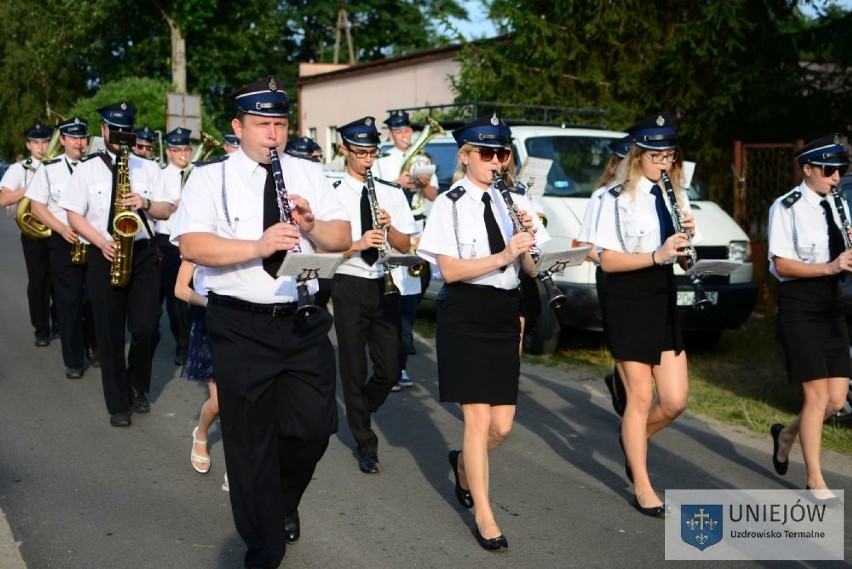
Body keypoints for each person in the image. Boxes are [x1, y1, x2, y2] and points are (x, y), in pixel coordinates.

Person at [171, 76, 351, 569]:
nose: (273, 135)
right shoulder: (211, 177)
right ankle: (263, 547)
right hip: (241, 323)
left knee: (315, 428)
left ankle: (281, 501)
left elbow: (341, 236)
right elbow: (191, 246)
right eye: (261, 125)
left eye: (279, 124)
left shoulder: (308, 172)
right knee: (250, 445)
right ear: (238, 126)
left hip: (302, 317)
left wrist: (311, 225)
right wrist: (257, 245)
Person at [416, 114, 549, 551]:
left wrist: (533, 249)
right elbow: (450, 271)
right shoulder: (450, 203)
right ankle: (484, 514)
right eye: (487, 153)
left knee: (502, 426)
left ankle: (462, 468)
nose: (497, 161)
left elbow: (527, 266)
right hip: (466, 312)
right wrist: (504, 253)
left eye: (503, 153)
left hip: (504, 310)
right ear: (467, 156)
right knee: (477, 420)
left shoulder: (513, 200)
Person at [593, 113, 696, 518]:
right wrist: (658, 254)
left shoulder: (674, 194)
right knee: (640, 396)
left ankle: (632, 440)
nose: (664, 162)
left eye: (669, 155)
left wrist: (687, 252)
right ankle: (642, 482)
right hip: (626, 298)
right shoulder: (615, 198)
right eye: (657, 155)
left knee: (675, 400)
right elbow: (608, 262)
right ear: (638, 156)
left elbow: (684, 261)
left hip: (662, 295)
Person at [61, 101, 174, 428]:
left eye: (126, 129)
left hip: (141, 254)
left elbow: (166, 210)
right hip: (103, 252)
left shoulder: (149, 168)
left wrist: (146, 203)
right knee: (109, 333)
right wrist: (99, 241)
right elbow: (72, 213)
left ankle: (137, 383)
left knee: (146, 327)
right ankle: (118, 402)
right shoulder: (86, 169)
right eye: (115, 129)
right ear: (104, 130)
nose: (119, 136)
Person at [766, 134, 851, 503]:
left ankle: (786, 435)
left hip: (832, 303)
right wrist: (829, 266)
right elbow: (781, 265)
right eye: (830, 171)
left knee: (835, 399)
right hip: (800, 305)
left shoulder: (837, 204)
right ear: (808, 169)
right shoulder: (787, 207)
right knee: (816, 397)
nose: (836, 178)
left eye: (841, 171)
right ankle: (814, 479)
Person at [332, 116, 416, 473]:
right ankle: (365, 442)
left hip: (385, 283)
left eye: (372, 153)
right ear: (344, 150)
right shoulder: (332, 195)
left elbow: (406, 242)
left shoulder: (391, 192)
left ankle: (359, 410)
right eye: (361, 152)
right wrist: (356, 244)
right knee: (353, 366)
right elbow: (322, 248)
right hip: (349, 283)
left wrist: (388, 225)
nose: (367, 159)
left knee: (390, 366)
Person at [25, 116, 98, 378]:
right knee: (69, 301)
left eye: (83, 137)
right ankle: (74, 360)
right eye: (74, 138)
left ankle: (94, 345)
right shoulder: (49, 168)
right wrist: (61, 228)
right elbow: (37, 206)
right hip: (63, 240)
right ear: (64, 140)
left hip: (94, 241)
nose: (80, 143)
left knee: (95, 299)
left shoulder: (97, 166)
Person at [375, 110, 438, 389]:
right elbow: (374, 192)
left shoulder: (424, 161)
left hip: (418, 235)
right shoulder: (383, 162)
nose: (405, 135)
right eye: (400, 131)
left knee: (410, 304)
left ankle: (400, 365)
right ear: (391, 133)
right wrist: (397, 184)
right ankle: (388, 364)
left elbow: (435, 196)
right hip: (392, 233)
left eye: (408, 130)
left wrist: (424, 187)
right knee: (390, 307)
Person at [576, 135, 634, 416]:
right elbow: (585, 247)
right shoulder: (602, 197)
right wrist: (613, 261)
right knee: (622, 340)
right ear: (617, 163)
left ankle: (623, 388)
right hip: (612, 278)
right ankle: (626, 399)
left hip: (643, 278)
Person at [0, 123, 55, 346]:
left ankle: (61, 320)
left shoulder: (56, 165)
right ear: (28, 145)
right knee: (39, 281)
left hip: (58, 229)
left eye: (44, 142)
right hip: (33, 233)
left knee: (61, 280)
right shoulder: (19, 169)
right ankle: (41, 329)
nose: (41, 147)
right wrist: (29, 188)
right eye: (36, 143)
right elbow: (4, 199)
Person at [173, 260, 221, 475]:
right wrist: (210, 304)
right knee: (220, 403)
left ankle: (238, 469)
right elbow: (180, 289)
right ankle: (201, 433)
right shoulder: (199, 241)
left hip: (246, 321)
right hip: (212, 320)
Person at [157, 127, 192, 365]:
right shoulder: (161, 176)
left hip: (192, 240)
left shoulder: (197, 173)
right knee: (175, 296)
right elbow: (161, 207)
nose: (184, 154)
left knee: (195, 293)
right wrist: (176, 202)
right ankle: (182, 344)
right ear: (169, 151)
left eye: (187, 149)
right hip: (169, 241)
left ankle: (193, 338)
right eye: (178, 150)